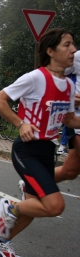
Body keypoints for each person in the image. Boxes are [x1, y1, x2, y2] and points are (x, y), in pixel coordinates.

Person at [0, 28, 80, 257]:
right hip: (27, 150)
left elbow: (68, 119)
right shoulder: (36, 77)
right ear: (50, 51)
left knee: (33, 208)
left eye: (73, 45)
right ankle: (11, 207)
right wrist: (20, 123)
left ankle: (1, 242)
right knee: (54, 205)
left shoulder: (69, 86)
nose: (73, 50)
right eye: (67, 45)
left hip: (47, 152)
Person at [54, 50, 80, 182]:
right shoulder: (77, 57)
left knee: (70, 171)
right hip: (76, 118)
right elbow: (54, 72)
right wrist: (67, 96)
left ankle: (30, 185)